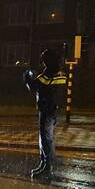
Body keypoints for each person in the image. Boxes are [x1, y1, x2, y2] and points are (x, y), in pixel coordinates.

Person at [24, 49, 67, 178]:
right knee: (49, 138)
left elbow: (33, 86)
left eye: (44, 60)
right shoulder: (61, 74)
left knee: (45, 139)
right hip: (55, 111)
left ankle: (46, 167)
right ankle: (44, 165)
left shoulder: (46, 76)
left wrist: (27, 77)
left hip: (46, 111)